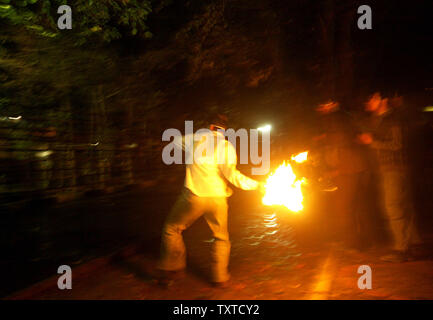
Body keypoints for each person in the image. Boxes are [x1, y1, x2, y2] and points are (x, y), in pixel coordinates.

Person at [157, 115, 262, 286]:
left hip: (194, 195)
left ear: (209, 127)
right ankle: (220, 278)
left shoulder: (195, 139)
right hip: (218, 198)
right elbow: (233, 176)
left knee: (172, 228)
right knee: (221, 237)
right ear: (224, 130)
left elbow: (175, 141)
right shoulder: (226, 146)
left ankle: (172, 269)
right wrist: (257, 185)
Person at [359, 93, 421, 262]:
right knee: (403, 207)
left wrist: (372, 141)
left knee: (394, 207)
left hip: (395, 169)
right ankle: (414, 245)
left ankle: (402, 249)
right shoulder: (377, 119)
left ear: (383, 100)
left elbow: (397, 144)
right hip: (388, 169)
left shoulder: (393, 119)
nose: (369, 102)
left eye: (372, 98)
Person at [313, 100, 371, 250]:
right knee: (356, 206)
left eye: (323, 105)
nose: (320, 108)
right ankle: (362, 240)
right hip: (353, 168)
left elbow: (343, 142)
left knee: (344, 208)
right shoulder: (342, 119)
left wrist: (337, 170)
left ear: (331, 105)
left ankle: (353, 243)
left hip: (349, 170)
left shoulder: (337, 120)